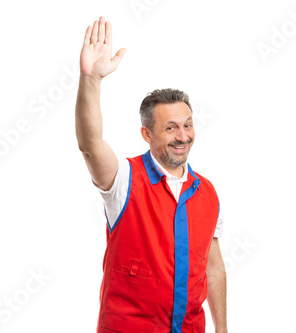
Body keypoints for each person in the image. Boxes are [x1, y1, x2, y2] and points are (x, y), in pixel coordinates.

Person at [75, 16, 227, 333]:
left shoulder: (207, 193)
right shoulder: (123, 179)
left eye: (187, 125)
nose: (182, 136)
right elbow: (90, 144)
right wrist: (91, 80)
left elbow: (213, 268)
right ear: (147, 134)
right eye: (170, 128)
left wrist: (222, 330)